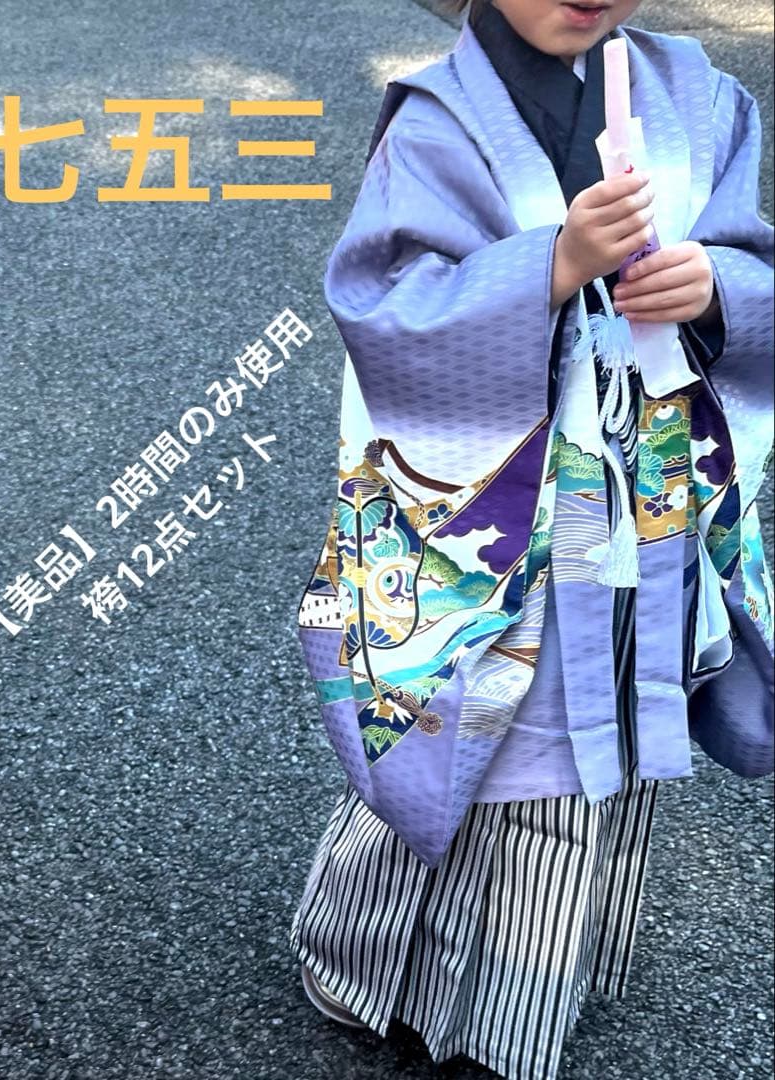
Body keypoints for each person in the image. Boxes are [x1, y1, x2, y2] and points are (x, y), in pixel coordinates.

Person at [289, 1, 774, 1077]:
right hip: (508, 525)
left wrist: (715, 290)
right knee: (503, 747)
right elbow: (383, 309)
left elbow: (746, 256)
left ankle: (470, 988)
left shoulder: (696, 95)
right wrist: (548, 266)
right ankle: (439, 999)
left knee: (595, 742)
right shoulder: (440, 120)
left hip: (644, 503)